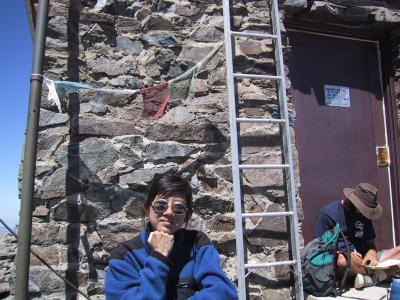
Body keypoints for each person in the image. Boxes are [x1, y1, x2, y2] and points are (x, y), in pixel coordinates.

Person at [105, 174, 238, 299]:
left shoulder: (196, 244)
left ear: (187, 216)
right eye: (160, 205)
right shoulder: (125, 255)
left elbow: (224, 293)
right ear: (147, 209)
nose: (168, 212)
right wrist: (158, 257)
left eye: (179, 208)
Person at [314, 182, 400, 289]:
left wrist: (371, 254)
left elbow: (371, 245)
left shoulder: (364, 216)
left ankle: (369, 278)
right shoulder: (328, 214)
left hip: (365, 262)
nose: (363, 212)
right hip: (345, 264)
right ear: (352, 201)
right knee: (341, 261)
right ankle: (379, 276)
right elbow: (319, 250)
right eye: (362, 208)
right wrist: (343, 254)